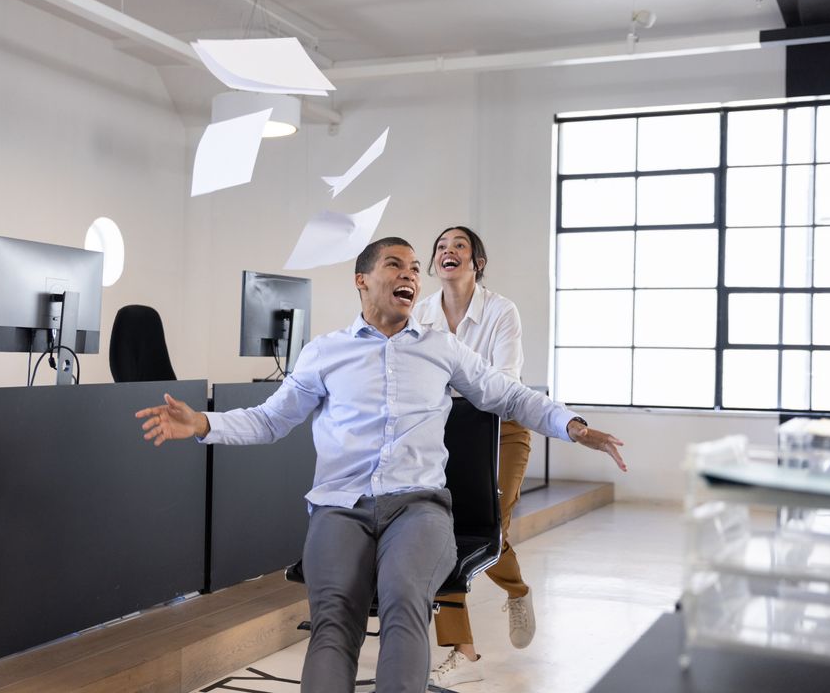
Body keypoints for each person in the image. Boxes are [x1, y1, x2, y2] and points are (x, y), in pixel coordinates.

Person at [136, 237, 626, 693]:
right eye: (395, 264)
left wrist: (573, 426)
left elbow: (509, 395)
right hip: (340, 508)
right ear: (362, 280)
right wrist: (203, 423)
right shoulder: (325, 352)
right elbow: (270, 420)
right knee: (333, 617)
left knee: (403, 601)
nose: (410, 273)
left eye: (415, 267)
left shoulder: (441, 347)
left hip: (420, 508)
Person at [414, 225, 535, 687]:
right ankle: (462, 650)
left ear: (476, 262)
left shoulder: (501, 311)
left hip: (502, 429)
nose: (448, 251)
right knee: (446, 530)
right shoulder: (421, 312)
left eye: (458, 246)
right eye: (440, 246)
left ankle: (517, 590)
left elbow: (502, 381)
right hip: (444, 431)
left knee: (490, 525)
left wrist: (445, 381)